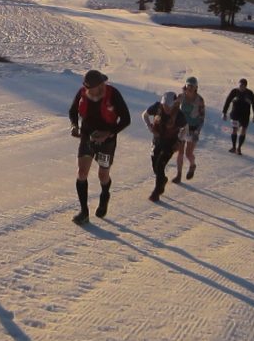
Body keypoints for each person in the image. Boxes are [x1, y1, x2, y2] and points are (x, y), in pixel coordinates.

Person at [68, 69, 131, 224]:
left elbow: (126, 119)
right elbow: (72, 111)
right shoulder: (83, 93)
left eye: (91, 88)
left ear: (100, 85)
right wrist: (74, 126)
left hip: (107, 141)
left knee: (103, 175)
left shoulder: (113, 94)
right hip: (87, 136)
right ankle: (84, 212)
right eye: (86, 87)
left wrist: (109, 133)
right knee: (82, 172)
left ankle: (105, 194)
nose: (88, 90)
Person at [143, 91, 186, 201]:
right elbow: (145, 115)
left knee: (160, 165)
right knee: (155, 166)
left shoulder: (179, 115)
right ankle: (162, 180)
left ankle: (157, 192)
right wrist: (149, 127)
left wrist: (179, 141)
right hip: (157, 140)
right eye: (164, 105)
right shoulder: (157, 107)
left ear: (173, 104)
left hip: (170, 143)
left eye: (168, 105)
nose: (166, 107)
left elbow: (186, 128)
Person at [175, 76, 206, 183]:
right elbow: (174, 110)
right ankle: (178, 175)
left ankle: (192, 165)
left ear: (196, 87)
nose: (190, 88)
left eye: (192, 86)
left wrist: (197, 130)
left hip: (193, 128)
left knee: (188, 153)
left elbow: (202, 117)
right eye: (189, 85)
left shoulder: (199, 100)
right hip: (182, 127)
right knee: (180, 152)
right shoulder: (181, 97)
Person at [222, 78, 254, 154]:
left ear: (246, 86)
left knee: (243, 131)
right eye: (240, 85)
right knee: (234, 130)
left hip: (245, 115)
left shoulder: (250, 93)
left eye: (243, 85)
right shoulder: (234, 91)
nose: (241, 87)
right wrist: (224, 112)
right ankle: (234, 147)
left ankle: (239, 148)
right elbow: (227, 101)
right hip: (235, 114)